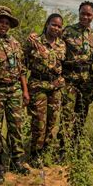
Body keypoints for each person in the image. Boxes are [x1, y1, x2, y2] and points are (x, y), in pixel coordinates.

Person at [0, 6, 30, 180]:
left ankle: (17, 160)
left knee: (16, 126)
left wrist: (25, 91)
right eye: (1, 22)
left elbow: (21, 70)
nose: (4, 25)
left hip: (15, 90)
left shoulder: (14, 43)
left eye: (7, 23)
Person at [24, 13, 66, 166]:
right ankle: (35, 153)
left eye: (59, 26)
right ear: (47, 24)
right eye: (53, 24)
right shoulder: (34, 41)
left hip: (55, 87)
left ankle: (47, 150)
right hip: (38, 86)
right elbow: (23, 64)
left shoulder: (62, 44)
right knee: (39, 122)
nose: (56, 28)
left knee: (52, 121)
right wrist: (25, 90)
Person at [58, 1, 93, 156]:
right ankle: (62, 149)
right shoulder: (67, 31)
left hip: (86, 81)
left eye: (89, 14)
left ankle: (76, 146)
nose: (85, 17)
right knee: (66, 115)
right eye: (83, 13)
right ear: (78, 13)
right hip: (69, 80)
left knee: (81, 114)